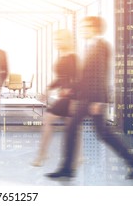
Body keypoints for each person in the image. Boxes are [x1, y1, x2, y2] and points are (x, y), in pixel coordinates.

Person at [46, 16, 133, 180]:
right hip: (87, 98)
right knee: (101, 133)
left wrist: (99, 101)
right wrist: (71, 90)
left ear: (94, 28)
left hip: (93, 99)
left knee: (83, 131)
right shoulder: (91, 47)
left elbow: (101, 75)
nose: (82, 30)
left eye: (85, 27)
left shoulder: (101, 46)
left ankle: (67, 169)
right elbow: (87, 77)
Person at [32, 29, 79, 167]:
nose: (56, 42)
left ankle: (42, 155)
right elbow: (60, 78)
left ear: (66, 40)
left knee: (49, 119)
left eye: (59, 40)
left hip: (70, 98)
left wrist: (71, 93)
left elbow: (77, 79)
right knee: (71, 128)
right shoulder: (63, 56)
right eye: (56, 40)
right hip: (65, 97)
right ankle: (77, 157)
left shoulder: (73, 57)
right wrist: (48, 89)